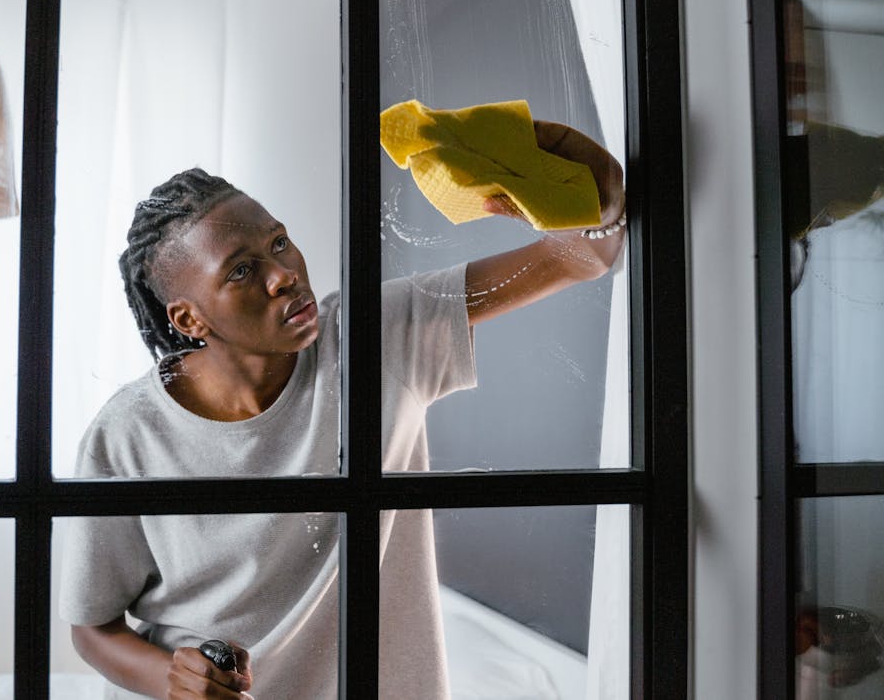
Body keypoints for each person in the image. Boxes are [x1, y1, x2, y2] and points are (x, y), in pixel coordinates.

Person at [59, 117, 626, 700]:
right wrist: (172, 678)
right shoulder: (127, 433)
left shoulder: (375, 336)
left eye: (279, 242)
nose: (284, 276)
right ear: (188, 319)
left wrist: (559, 161)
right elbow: (92, 627)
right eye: (242, 271)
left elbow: (586, 256)